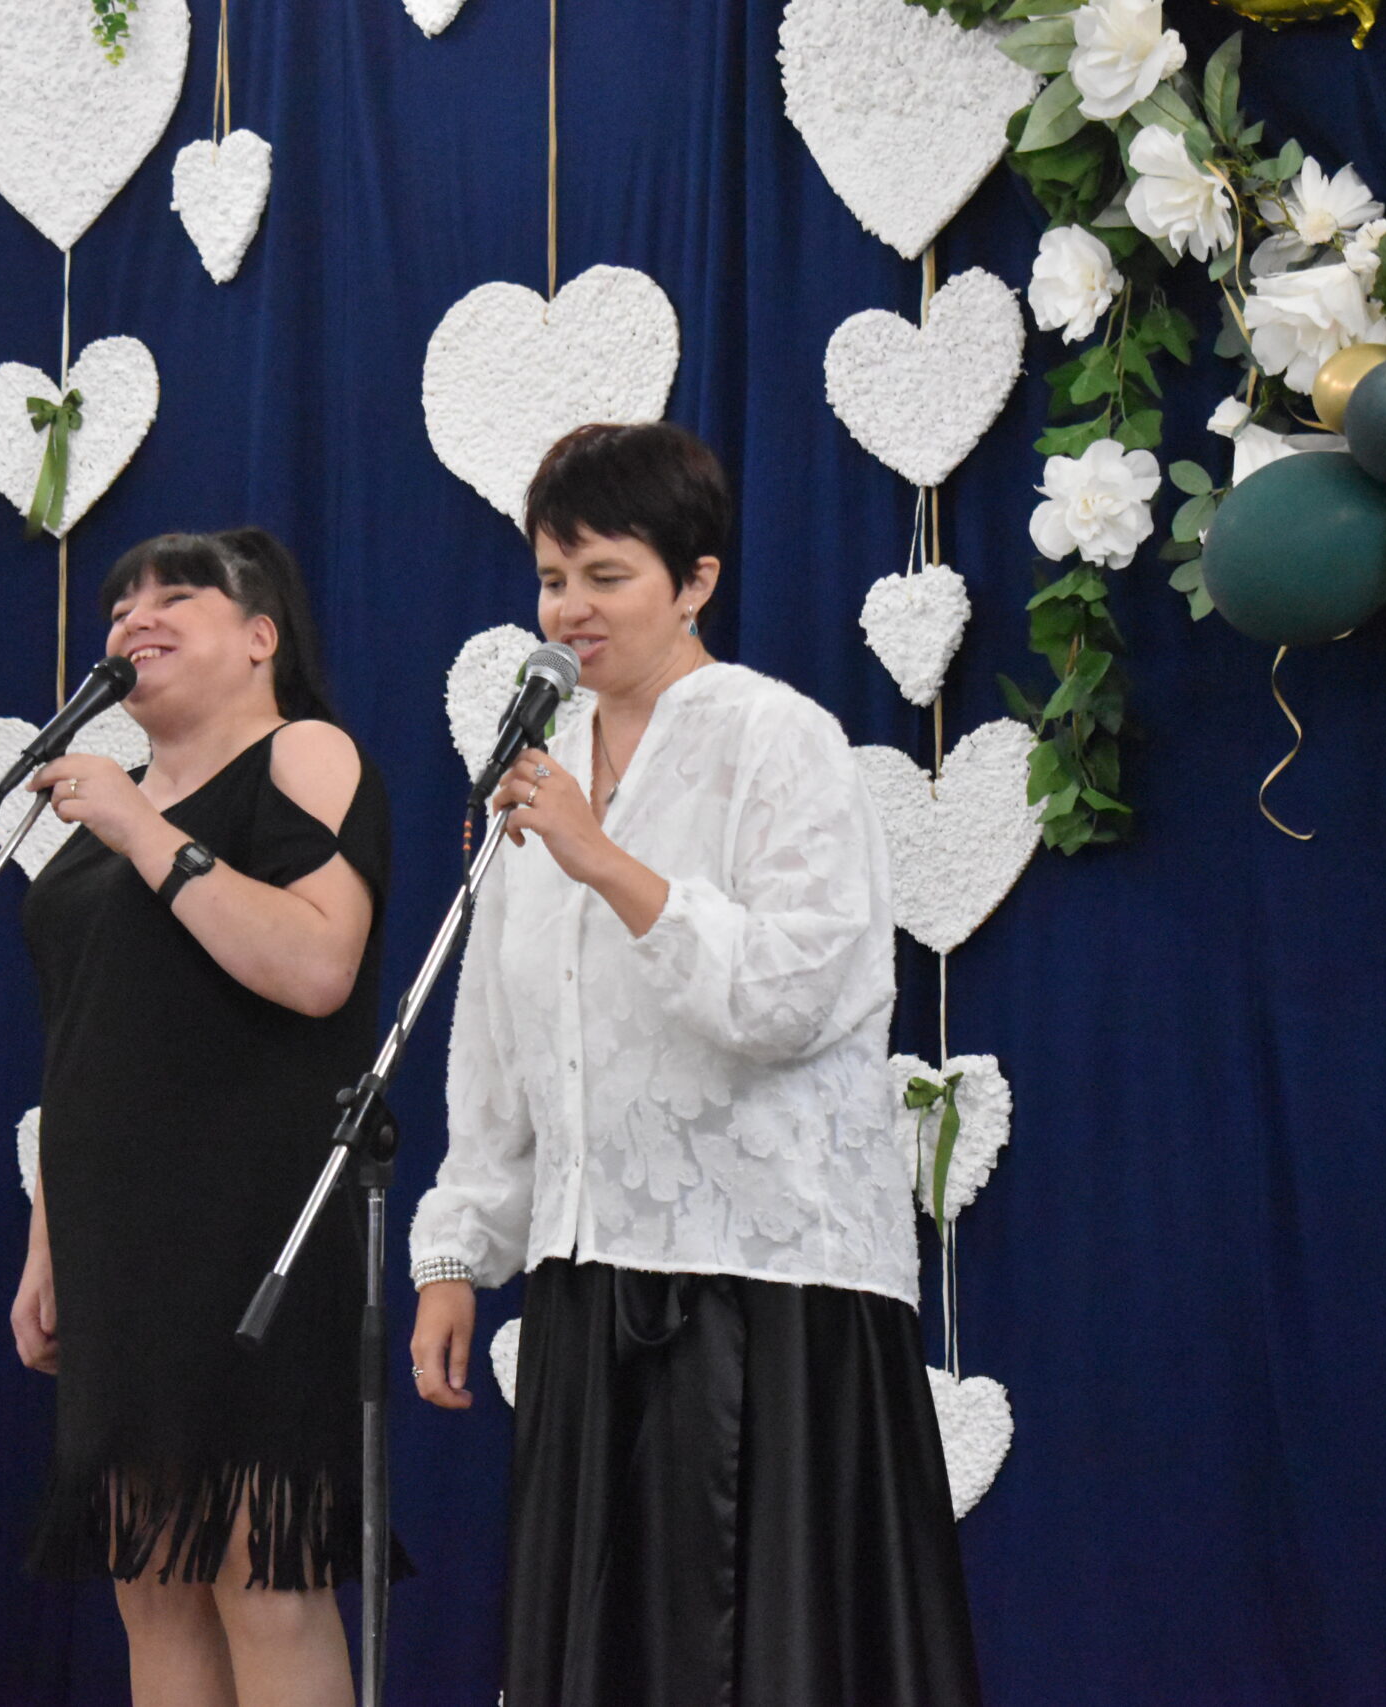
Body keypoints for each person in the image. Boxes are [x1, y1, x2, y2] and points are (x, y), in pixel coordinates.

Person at [406, 423, 981, 1707]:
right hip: (586, 1277)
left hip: (760, 1285)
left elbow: (796, 992)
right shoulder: (537, 773)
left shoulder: (777, 736)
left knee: (756, 1656)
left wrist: (603, 859)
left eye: (605, 575)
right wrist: (457, 1254)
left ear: (696, 580)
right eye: (552, 578)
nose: (570, 608)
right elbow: (503, 1039)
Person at [13, 527, 387, 1707]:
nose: (135, 617)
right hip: (114, 1238)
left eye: (176, 596)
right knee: (153, 1580)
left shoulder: (302, 753)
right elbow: (82, 1043)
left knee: (257, 1568)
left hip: (246, 1220)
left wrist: (138, 827)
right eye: (120, 603)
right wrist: (47, 1238)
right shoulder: (106, 822)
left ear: (260, 636)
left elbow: (319, 964)